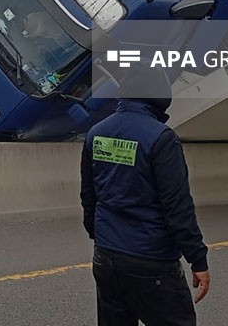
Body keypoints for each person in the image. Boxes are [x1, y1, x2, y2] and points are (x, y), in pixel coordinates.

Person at [80, 66, 208, 326]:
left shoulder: (96, 133)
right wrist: (197, 259)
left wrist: (100, 234)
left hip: (106, 256)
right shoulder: (161, 138)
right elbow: (177, 206)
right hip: (151, 260)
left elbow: (89, 196)